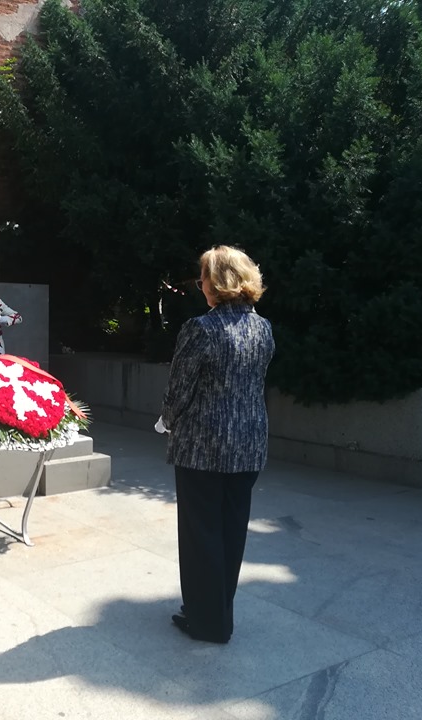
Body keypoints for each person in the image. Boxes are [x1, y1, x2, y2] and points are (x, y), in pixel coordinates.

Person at [156, 245, 275, 644]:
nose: (200, 283)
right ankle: (218, 610)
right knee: (230, 532)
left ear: (218, 282)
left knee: (200, 534)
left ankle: (208, 622)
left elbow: (179, 390)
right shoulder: (264, 328)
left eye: (204, 276)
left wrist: (166, 421)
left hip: (202, 447)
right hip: (248, 445)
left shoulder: (201, 328)